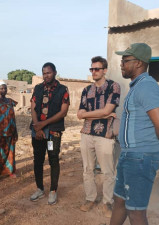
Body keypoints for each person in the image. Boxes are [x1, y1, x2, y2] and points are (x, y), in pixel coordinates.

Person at [110, 43, 159, 225]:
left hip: (140, 158)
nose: (121, 64)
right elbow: (148, 125)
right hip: (130, 155)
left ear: (138, 63)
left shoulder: (147, 86)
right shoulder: (137, 87)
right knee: (120, 201)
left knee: (135, 212)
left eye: (125, 60)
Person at [77, 56, 121, 217]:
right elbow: (79, 115)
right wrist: (104, 114)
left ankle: (107, 203)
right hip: (87, 134)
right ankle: (90, 199)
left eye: (97, 69)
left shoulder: (113, 87)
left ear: (104, 70)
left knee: (108, 171)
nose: (93, 72)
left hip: (105, 135)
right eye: (91, 69)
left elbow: (106, 110)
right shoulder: (86, 90)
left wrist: (91, 114)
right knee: (87, 170)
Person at [30, 62, 69, 205]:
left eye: (49, 73)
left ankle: (53, 190)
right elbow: (33, 108)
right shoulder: (38, 88)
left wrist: (44, 124)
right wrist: (37, 128)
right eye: (44, 73)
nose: (46, 75)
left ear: (55, 73)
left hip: (53, 132)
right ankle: (40, 189)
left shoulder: (62, 89)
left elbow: (63, 112)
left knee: (53, 159)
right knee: (38, 160)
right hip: (37, 131)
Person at [0, 81, 18, 181]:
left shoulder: (10, 102)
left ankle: (10, 172)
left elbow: (13, 117)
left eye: (5, 88)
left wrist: (16, 131)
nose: (3, 90)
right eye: (1, 88)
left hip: (10, 131)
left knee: (10, 152)